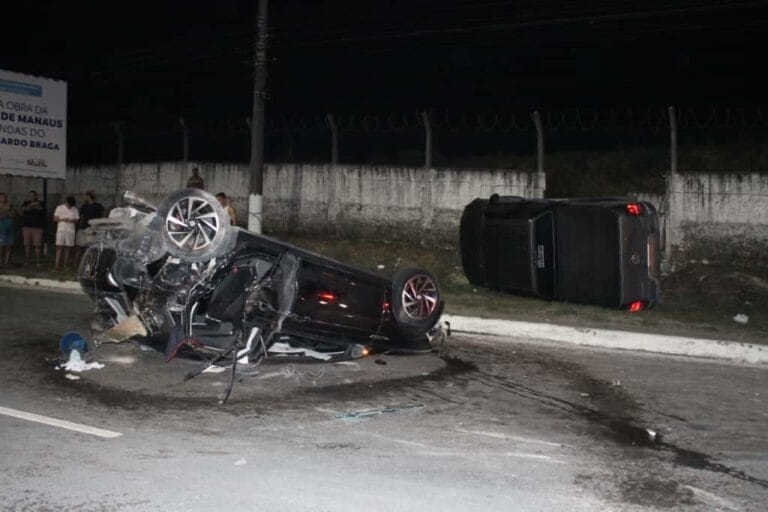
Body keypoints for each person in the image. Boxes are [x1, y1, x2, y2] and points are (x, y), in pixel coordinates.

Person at [77, 191, 105, 260]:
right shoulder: (84, 206)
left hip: (94, 228)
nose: (85, 198)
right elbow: (82, 217)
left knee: (91, 245)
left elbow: (102, 215)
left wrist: (100, 225)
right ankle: (80, 260)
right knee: (81, 245)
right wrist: (80, 226)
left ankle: (90, 259)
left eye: (86, 196)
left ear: (89, 197)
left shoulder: (98, 206)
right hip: (85, 227)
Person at [53, 196, 79, 271]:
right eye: (69, 205)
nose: (70, 206)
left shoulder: (75, 209)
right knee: (59, 247)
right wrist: (63, 219)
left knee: (67, 248)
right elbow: (55, 219)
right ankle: (56, 266)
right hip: (61, 230)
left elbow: (77, 219)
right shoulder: (59, 207)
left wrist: (72, 220)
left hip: (70, 231)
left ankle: (65, 265)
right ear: (66, 202)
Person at [21, 190, 46, 267]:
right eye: (30, 195)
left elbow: (40, 208)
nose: (31, 196)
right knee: (26, 245)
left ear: (36, 196)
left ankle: (38, 262)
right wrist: (33, 205)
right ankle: (26, 261)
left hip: (37, 227)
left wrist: (32, 205)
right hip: (27, 226)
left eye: (33, 195)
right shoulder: (25, 202)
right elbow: (24, 209)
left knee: (37, 245)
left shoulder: (41, 202)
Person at [0, 192, 18, 266]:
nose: (3, 198)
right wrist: (5, 211)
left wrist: (9, 213)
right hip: (1, 228)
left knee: (9, 245)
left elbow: (15, 214)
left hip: (10, 227)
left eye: (4, 197)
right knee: (1, 245)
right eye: (1, 197)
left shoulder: (10, 205)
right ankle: (0, 260)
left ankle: (7, 261)